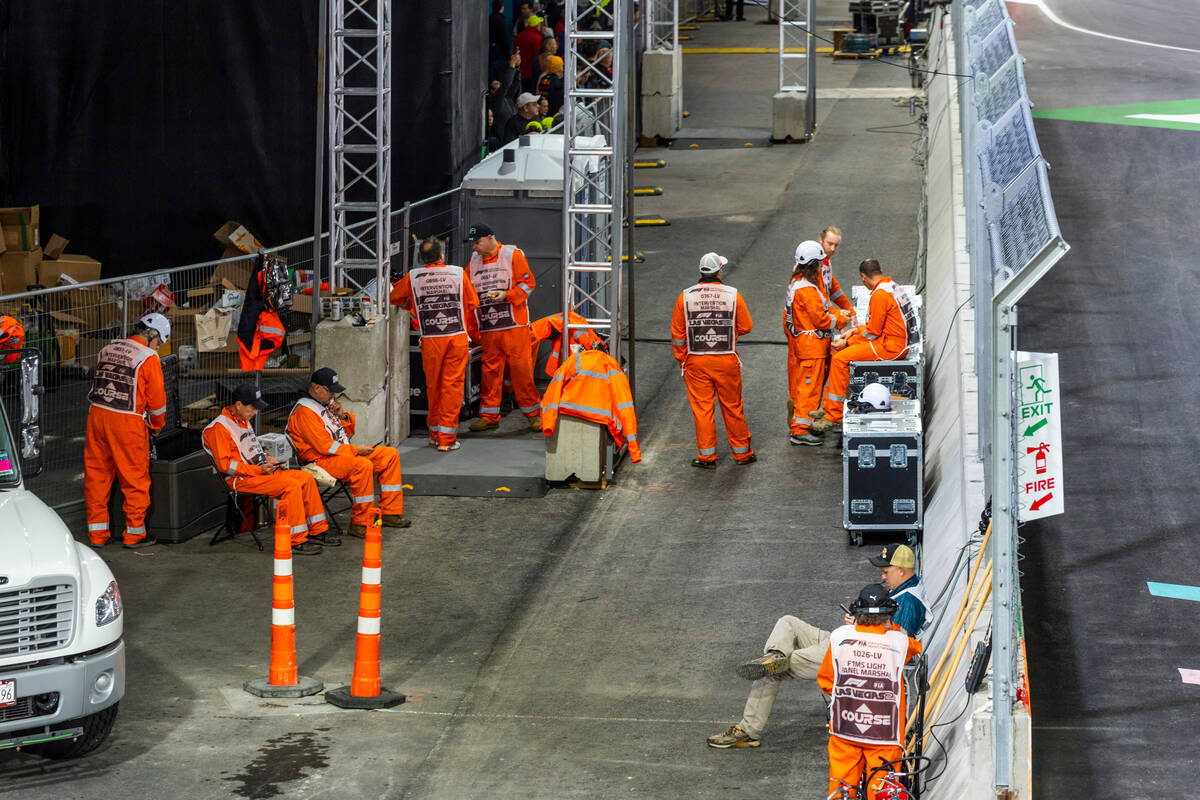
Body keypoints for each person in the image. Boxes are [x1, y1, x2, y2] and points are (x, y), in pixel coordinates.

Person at [707, 544, 926, 749]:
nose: (882, 576)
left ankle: (748, 730)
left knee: (769, 672)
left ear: (901, 570)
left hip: (852, 651)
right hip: (843, 640)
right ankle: (776, 654)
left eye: (886, 571)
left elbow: (895, 645)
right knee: (788, 622)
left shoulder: (909, 601)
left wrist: (860, 624)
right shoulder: (906, 590)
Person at [818, 584, 921, 800]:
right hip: (885, 734)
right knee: (882, 791)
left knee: (841, 789)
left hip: (845, 728)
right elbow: (916, 650)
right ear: (890, 615)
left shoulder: (839, 637)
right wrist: (888, 627)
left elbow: (826, 681)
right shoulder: (900, 642)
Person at [203, 383, 331, 555]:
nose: (256, 412)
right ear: (239, 405)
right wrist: (259, 470)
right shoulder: (219, 428)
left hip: (258, 473)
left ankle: (318, 530)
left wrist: (265, 458)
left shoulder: (242, 419)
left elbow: (247, 449)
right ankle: (295, 540)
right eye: (253, 408)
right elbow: (226, 466)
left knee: (306, 479)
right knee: (291, 486)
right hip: (239, 480)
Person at [287, 367, 410, 537]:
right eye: (331, 392)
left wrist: (342, 416)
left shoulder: (322, 404)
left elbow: (343, 435)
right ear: (317, 388)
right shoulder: (304, 411)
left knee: (389, 455)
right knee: (362, 465)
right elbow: (325, 447)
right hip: (319, 461)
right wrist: (356, 450)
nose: (333, 397)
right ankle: (361, 523)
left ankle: (390, 512)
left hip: (338, 455)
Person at [83, 313, 169, 549]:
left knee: (97, 476)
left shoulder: (109, 348)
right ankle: (134, 534)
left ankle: (97, 534)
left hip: (97, 416)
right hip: (127, 422)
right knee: (134, 479)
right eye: (159, 341)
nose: (158, 347)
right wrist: (157, 426)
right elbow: (158, 400)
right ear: (152, 335)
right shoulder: (148, 357)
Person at [390, 236, 480, 451]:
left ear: (421, 257)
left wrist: (412, 308)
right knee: (452, 387)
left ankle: (434, 434)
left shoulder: (414, 276)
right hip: (455, 337)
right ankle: (446, 440)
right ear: (442, 255)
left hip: (430, 339)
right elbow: (473, 303)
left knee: (434, 387)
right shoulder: (458, 273)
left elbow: (395, 298)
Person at [811, 259, 919, 432]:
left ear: (863, 277)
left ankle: (834, 415)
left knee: (840, 359)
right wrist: (854, 332)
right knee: (838, 355)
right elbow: (876, 327)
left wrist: (847, 342)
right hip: (894, 341)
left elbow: (873, 332)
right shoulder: (891, 286)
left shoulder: (879, 295)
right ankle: (829, 406)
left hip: (891, 347)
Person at [670, 252, 755, 468]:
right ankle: (742, 454)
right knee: (733, 407)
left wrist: (683, 360)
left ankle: (707, 457)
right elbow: (746, 326)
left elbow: (678, 335)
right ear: (719, 270)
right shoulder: (733, 295)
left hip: (696, 362)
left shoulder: (685, 296)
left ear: (700, 271)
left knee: (702, 410)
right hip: (726, 360)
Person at [464, 223, 542, 433]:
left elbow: (528, 284)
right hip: (489, 328)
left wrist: (506, 295)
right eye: (473, 243)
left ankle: (534, 415)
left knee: (521, 370)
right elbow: (467, 288)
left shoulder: (512, 254)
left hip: (514, 326)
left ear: (490, 238)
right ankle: (489, 416)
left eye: (477, 242)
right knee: (490, 372)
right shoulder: (474, 261)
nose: (474, 247)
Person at [785, 240, 851, 446]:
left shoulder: (801, 285)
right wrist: (841, 318)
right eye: (820, 264)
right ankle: (799, 430)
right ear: (814, 265)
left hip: (810, 345)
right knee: (808, 389)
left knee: (811, 388)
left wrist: (838, 313)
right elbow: (821, 319)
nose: (823, 266)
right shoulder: (806, 290)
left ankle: (805, 425)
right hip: (811, 347)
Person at [515, 11, 545, 91]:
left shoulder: (520, 36)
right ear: (536, 25)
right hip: (532, 73)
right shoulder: (537, 38)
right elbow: (538, 56)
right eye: (539, 23)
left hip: (520, 70)